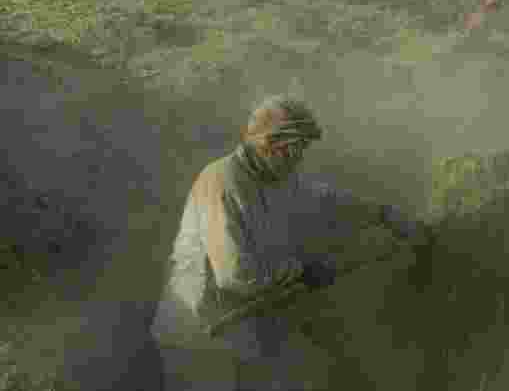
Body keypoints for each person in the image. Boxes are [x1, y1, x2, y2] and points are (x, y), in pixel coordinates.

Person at [150, 95, 428, 390]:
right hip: (197, 335)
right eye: (296, 148)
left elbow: (329, 201)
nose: (300, 157)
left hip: (239, 328)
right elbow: (233, 275)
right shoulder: (221, 181)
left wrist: (385, 215)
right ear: (271, 144)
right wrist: (299, 273)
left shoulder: (278, 179)